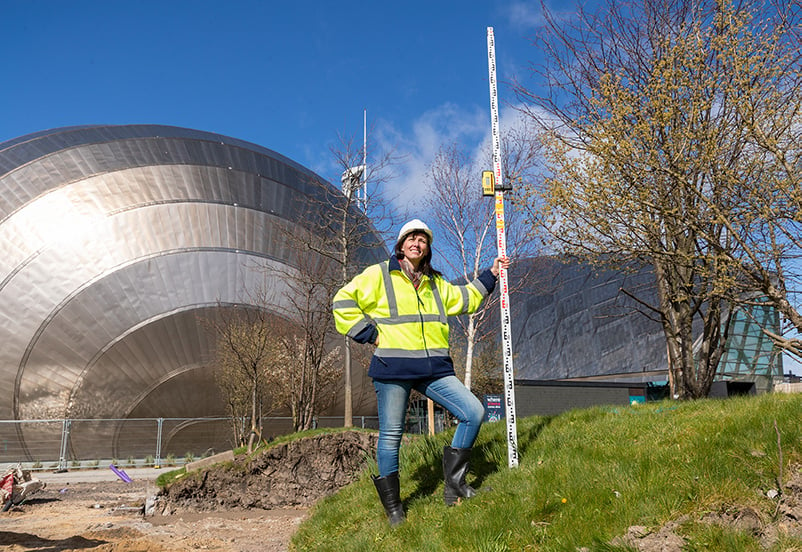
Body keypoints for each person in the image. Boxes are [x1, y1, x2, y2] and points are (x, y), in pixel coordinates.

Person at [332, 219, 510, 526]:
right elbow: (342, 302)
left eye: (423, 240)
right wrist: (368, 333)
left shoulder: (436, 283)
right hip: (393, 368)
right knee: (391, 436)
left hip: (434, 369)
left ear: (427, 248)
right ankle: (394, 508)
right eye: (411, 238)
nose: (417, 243)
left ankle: (454, 487)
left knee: (473, 411)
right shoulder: (378, 275)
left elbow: (467, 298)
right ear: (401, 246)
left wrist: (491, 273)